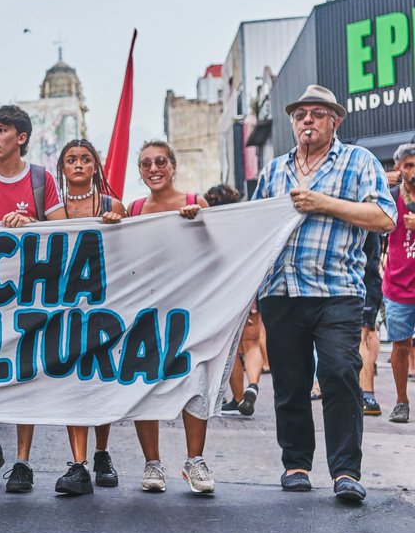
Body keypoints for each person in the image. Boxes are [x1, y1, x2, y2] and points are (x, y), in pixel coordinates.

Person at [252, 84, 396, 503]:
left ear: (335, 120)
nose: (307, 121)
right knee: (290, 384)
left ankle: (346, 472)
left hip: (337, 292)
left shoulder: (358, 161)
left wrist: (323, 203)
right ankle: (295, 464)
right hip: (282, 292)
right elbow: (255, 226)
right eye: (300, 115)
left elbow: (384, 217)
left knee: (338, 375)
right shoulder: (275, 171)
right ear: (293, 123)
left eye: (317, 114)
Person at [0, 105, 65, 494]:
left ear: (21, 137)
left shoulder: (40, 179)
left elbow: (63, 230)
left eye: (1, 130)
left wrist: (32, 225)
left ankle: (23, 460)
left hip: (28, 297)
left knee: (23, 373)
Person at [124, 139, 215, 494]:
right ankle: (152, 464)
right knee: (145, 385)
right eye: (146, 164)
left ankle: (195, 461)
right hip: (144, 311)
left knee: (195, 383)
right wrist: (114, 224)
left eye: (160, 161)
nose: (154, 168)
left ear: (174, 166)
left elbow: (218, 253)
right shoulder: (132, 209)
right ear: (140, 172)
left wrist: (199, 225)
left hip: (189, 310)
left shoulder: (196, 203)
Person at [54, 138, 125, 494]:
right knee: (72, 386)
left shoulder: (114, 205)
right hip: (65, 311)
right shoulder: (52, 211)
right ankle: (78, 464)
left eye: (85, 159)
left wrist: (118, 226)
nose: (78, 164)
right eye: (71, 159)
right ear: (62, 169)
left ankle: (102, 453)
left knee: (100, 383)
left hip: (106, 307)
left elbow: (130, 256)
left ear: (95, 166)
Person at [204, 185, 266, 418]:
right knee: (251, 343)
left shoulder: (210, 229)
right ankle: (253, 385)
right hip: (251, 289)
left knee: (229, 348)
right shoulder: (246, 227)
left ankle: (238, 398)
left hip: (224, 294)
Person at [382, 144, 415, 423]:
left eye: (414, 165)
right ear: (398, 169)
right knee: (400, 345)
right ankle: (401, 400)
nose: (411, 171)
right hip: (398, 286)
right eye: (406, 165)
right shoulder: (391, 198)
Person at [358, 232, 384, 416]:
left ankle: (367, 395)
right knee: (368, 334)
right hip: (371, 283)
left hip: (364, 283)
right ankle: (366, 393)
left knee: (361, 339)